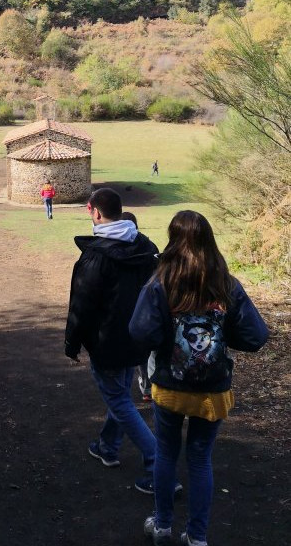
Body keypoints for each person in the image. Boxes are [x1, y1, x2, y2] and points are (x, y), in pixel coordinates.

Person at [130, 210, 268, 546]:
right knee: (200, 457)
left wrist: (167, 338)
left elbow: (139, 331)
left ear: (172, 239)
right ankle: (197, 536)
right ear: (210, 240)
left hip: (170, 387)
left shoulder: (161, 283)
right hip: (212, 391)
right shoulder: (226, 285)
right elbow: (256, 336)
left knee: (165, 453)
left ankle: (162, 526)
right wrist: (220, 332)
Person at [64, 187, 163, 494]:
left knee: (119, 399)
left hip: (108, 343)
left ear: (95, 212)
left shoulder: (96, 256)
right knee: (119, 394)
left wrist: (72, 343)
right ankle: (108, 446)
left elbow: (82, 304)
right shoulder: (147, 248)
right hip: (138, 338)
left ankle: (157, 463)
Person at [120, 211, 152, 403]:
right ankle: (147, 388)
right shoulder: (149, 246)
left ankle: (126, 389)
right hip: (145, 307)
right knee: (143, 350)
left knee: (127, 349)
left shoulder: (114, 249)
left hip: (126, 308)